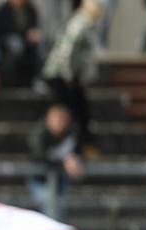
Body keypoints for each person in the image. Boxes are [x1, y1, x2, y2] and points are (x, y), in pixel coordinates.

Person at [42, 0, 103, 150]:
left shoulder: (88, 24)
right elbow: (66, 49)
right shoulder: (81, 23)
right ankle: (68, 147)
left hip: (71, 75)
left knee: (81, 108)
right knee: (68, 110)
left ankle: (83, 143)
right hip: (60, 74)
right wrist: (67, 74)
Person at [27, 104, 83, 210]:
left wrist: (75, 159)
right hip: (40, 178)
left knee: (60, 207)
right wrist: (64, 163)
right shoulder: (39, 134)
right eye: (56, 118)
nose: (59, 122)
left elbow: (79, 152)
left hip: (62, 178)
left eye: (62, 118)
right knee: (48, 204)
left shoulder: (72, 132)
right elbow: (39, 158)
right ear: (48, 119)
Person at [0, 0, 41, 88]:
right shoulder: (3, 11)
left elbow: (33, 27)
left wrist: (32, 34)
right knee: (16, 45)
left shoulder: (30, 10)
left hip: (27, 42)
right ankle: (10, 84)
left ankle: (36, 80)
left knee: (39, 48)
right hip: (7, 43)